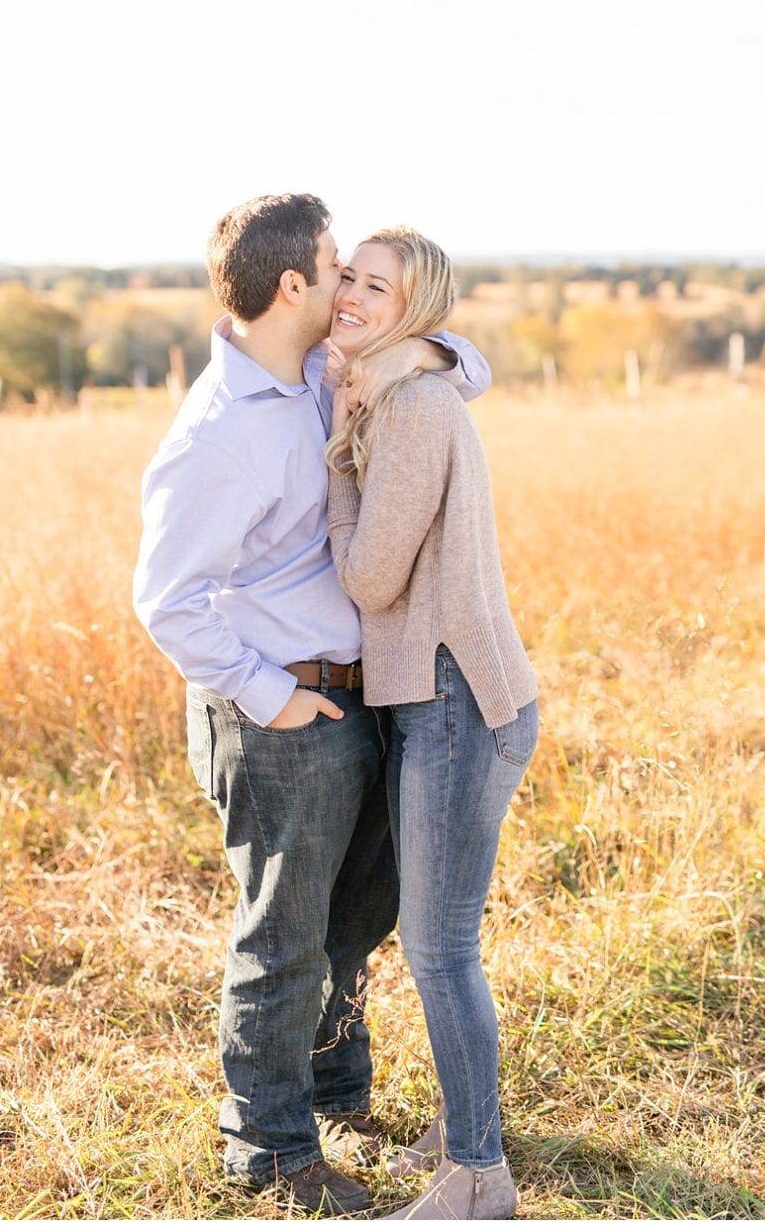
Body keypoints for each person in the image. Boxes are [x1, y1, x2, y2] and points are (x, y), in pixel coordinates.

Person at [133, 194, 491, 1215]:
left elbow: (460, 356)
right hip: (282, 711)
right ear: (293, 284)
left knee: (358, 915)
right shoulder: (216, 433)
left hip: (363, 693)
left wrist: (428, 356)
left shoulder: (324, 375)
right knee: (282, 936)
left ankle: (339, 1089)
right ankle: (271, 1149)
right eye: (337, 265)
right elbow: (165, 597)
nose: (346, 282)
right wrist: (267, 696)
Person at [323, 228, 539, 1221]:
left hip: (457, 699)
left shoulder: (410, 408)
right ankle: (460, 1134)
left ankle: (479, 1175)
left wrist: (337, 451)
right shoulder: (413, 384)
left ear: (416, 312)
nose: (355, 297)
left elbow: (370, 576)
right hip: (448, 695)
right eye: (349, 279)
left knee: (440, 949)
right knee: (439, 942)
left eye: (380, 287)